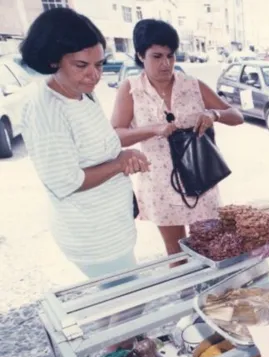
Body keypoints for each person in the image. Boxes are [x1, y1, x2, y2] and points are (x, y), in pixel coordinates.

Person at [20, 8, 149, 279]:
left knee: (116, 302)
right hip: (92, 234)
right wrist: (119, 164)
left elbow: (102, 145)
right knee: (130, 303)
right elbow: (65, 181)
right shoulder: (45, 106)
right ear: (53, 60)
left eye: (99, 64)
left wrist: (125, 154)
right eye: (81, 65)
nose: (94, 75)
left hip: (112, 222)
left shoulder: (83, 94)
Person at [111, 19, 244, 256]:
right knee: (177, 253)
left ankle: (211, 292)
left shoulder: (192, 85)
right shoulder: (131, 89)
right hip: (161, 184)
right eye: (157, 56)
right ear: (141, 55)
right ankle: (187, 294)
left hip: (200, 178)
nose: (166, 64)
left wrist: (214, 115)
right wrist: (153, 129)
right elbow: (116, 136)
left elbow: (236, 116)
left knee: (211, 248)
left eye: (171, 56)